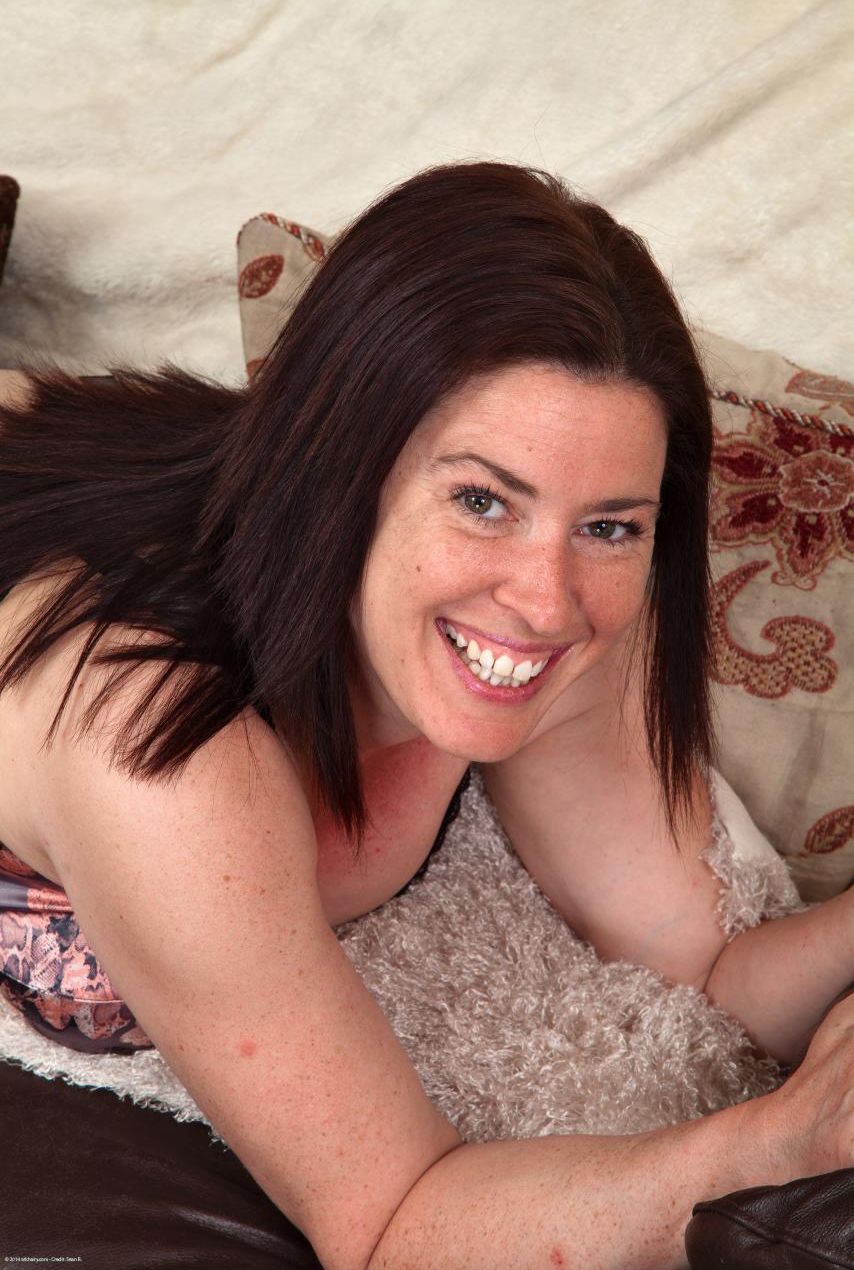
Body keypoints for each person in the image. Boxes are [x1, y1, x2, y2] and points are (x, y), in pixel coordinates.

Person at [0, 160, 852, 1269]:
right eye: (481, 500)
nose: (545, 602)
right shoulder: (157, 740)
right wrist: (774, 1142)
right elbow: (391, 1224)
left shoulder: (561, 611)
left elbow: (698, 967)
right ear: (341, 477)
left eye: (609, 525)